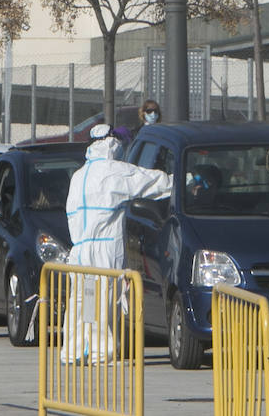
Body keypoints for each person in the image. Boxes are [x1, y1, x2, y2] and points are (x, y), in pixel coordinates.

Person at [60, 124, 172, 363]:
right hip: (105, 248)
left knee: (83, 301)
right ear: (112, 144)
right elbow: (155, 183)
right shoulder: (117, 172)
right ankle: (101, 351)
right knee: (104, 300)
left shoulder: (79, 175)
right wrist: (184, 179)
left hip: (79, 250)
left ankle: (75, 350)